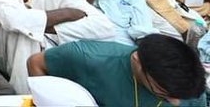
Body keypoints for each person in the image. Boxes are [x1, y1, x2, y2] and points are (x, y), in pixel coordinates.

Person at [27, 34, 208, 107]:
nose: (176, 103)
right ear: (137, 62)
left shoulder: (188, 87)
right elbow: (36, 63)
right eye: (162, 92)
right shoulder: (88, 57)